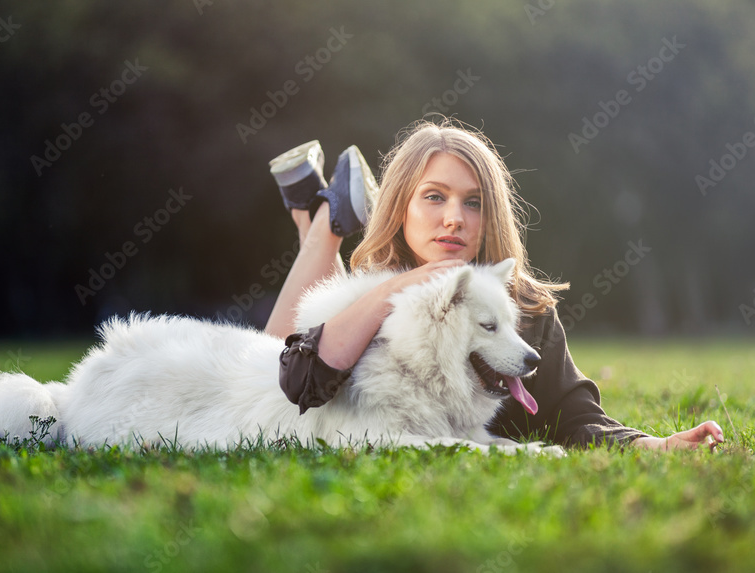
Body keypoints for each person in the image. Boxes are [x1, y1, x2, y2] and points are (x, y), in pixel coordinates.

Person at [264, 119, 724, 451]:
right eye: (434, 197)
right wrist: (388, 293)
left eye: (473, 202)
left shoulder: (525, 311)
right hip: (289, 376)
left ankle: (316, 217)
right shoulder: (368, 296)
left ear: (490, 218)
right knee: (266, 361)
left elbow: (578, 417)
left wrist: (655, 445)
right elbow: (288, 382)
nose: (453, 219)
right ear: (399, 208)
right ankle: (324, 227)